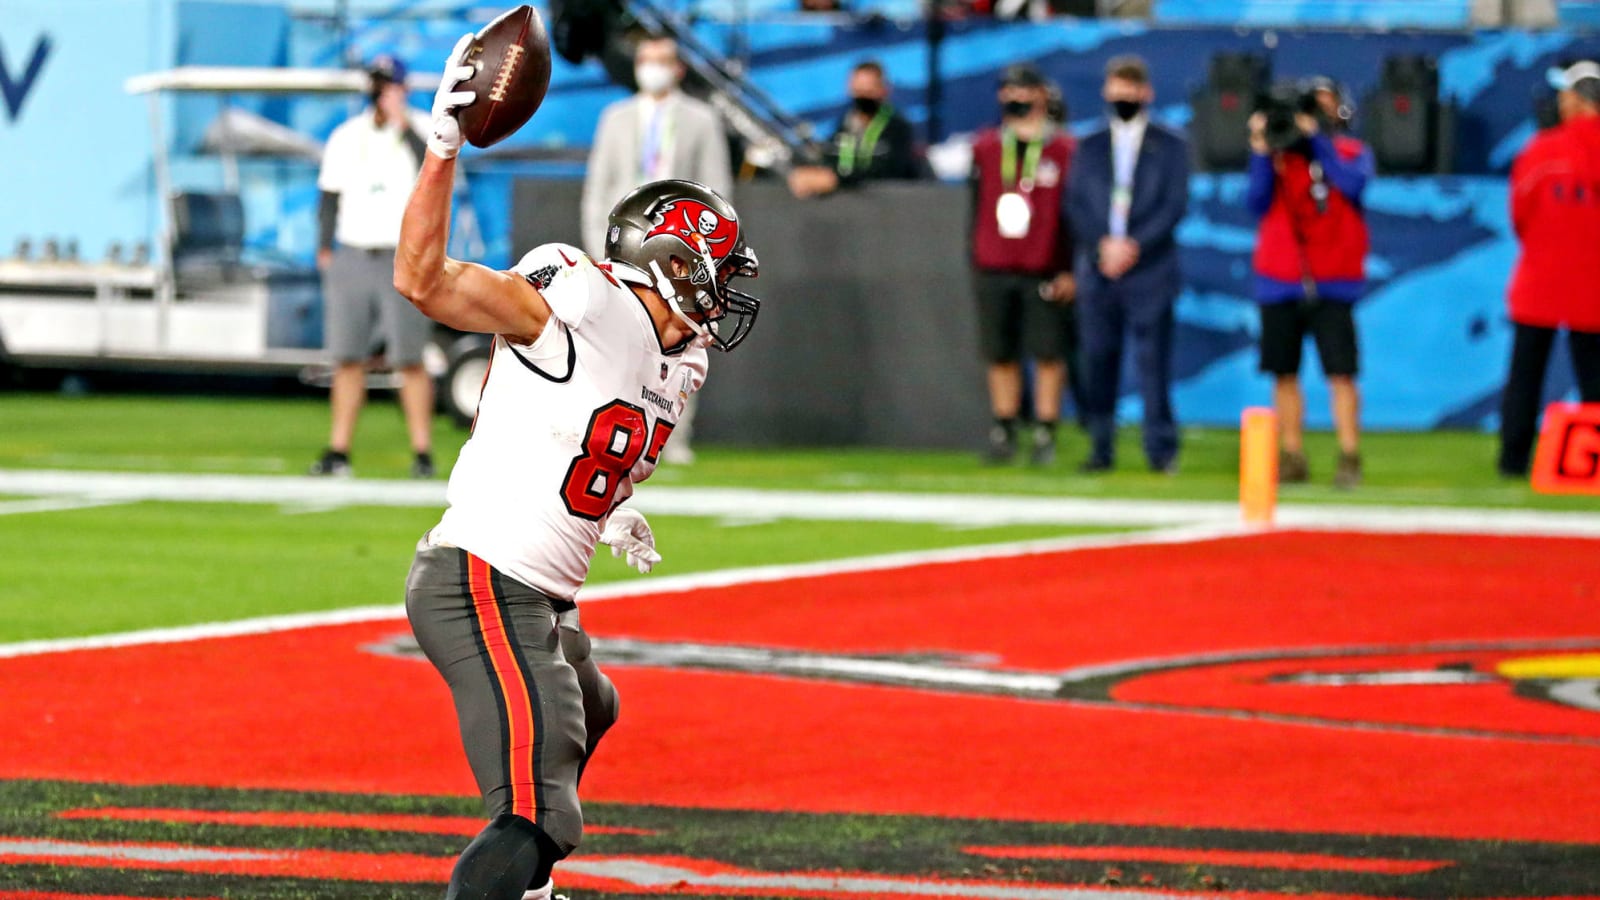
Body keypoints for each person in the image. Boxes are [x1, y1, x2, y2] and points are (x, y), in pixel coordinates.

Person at [396, 33, 764, 900]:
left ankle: (519, 879)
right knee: (542, 813)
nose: (725, 293)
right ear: (669, 265)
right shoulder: (578, 295)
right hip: (484, 576)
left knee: (595, 706)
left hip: (543, 585)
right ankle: (516, 876)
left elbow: (588, 431)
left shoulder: (682, 359)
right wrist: (445, 147)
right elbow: (424, 280)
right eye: (715, 271)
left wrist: (605, 506)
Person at [581, 35, 732, 464]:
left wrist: (707, 252)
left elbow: (715, 189)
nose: (653, 68)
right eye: (647, 60)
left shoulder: (701, 119)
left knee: (681, 341)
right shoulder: (616, 117)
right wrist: (599, 247)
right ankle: (616, 433)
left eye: (662, 60)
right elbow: (598, 187)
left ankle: (673, 437)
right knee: (619, 340)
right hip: (625, 246)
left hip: (680, 247)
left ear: (678, 68)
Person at [310, 54, 438, 479]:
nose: (384, 95)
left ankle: (422, 451)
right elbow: (330, 194)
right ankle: (339, 448)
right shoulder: (347, 135)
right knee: (347, 355)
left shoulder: (422, 130)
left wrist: (404, 129)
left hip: (401, 256)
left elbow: (435, 176)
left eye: (391, 86)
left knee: (409, 357)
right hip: (355, 251)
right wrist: (324, 247)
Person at [1246, 77, 1373, 489]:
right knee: (1283, 372)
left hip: (1332, 277)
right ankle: (1292, 453)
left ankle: (1349, 455)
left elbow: (1351, 183)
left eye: (1323, 107)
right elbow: (1255, 201)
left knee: (1341, 373)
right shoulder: (1279, 157)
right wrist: (1262, 150)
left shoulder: (1352, 151)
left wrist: (1316, 141)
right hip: (1280, 277)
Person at [1066, 55, 1189, 474]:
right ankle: (1100, 447)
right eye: (1117, 88)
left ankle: (1160, 448)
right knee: (1098, 359)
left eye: (1131, 89)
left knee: (1153, 363)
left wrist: (1133, 245)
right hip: (1098, 268)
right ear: (1106, 91)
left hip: (1150, 269)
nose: (1124, 96)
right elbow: (1076, 204)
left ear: (1146, 92)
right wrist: (1102, 246)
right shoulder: (1089, 146)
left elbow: (1173, 206)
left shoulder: (1171, 145)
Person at [968, 63, 1077, 465]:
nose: (1015, 98)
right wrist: (977, 257)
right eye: (1008, 90)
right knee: (1000, 351)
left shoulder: (1063, 150)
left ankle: (1046, 431)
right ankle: (1004, 427)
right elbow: (975, 204)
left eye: (1023, 90)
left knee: (1048, 352)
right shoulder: (986, 146)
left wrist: (1069, 267)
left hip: (1043, 264)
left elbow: (1074, 213)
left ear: (1041, 95)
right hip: (995, 262)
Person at [1498, 60, 1600, 478]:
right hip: (1594, 282)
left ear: (1576, 100)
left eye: (1565, 94)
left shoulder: (1541, 149)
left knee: (1526, 376)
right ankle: (1592, 462)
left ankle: (1513, 460)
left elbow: (1519, 213)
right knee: (1596, 379)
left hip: (1541, 279)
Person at [787, 60, 924, 199]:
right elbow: (832, 158)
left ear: (884, 90)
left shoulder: (897, 127)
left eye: (868, 92)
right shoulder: (846, 125)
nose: (863, 98)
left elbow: (890, 171)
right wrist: (813, 173)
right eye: (858, 91)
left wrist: (837, 179)